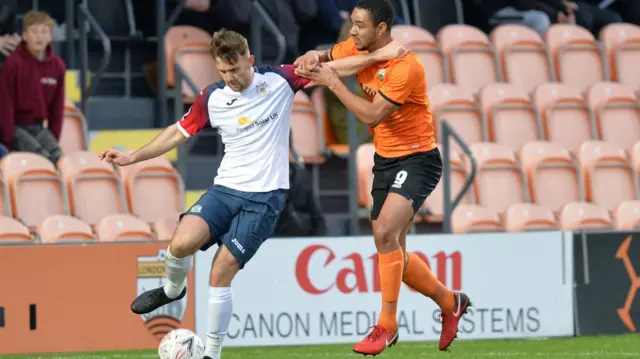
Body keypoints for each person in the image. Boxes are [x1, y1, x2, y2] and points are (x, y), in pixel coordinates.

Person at [100, 28, 406, 359]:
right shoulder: (212, 98)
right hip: (225, 190)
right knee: (179, 244)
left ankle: (212, 353)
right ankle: (174, 288)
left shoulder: (279, 80)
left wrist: (377, 56)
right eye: (223, 71)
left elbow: (331, 70)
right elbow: (176, 133)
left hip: (265, 198)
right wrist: (132, 157)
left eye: (236, 69)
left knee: (220, 271)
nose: (231, 77)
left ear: (250, 60)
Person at [294, 0, 471, 355]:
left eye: (360, 25)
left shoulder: (406, 67)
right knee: (395, 255)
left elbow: (373, 115)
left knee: (384, 232)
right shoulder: (357, 46)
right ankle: (450, 302)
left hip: (418, 158)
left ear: (381, 29)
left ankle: (387, 326)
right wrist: (317, 54)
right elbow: (332, 55)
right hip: (386, 161)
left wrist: (333, 82)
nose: (353, 29)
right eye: (354, 23)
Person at [0, 10, 65, 164]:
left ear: (50, 36)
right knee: (41, 158)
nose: (39, 36)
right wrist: (9, 140)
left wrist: (52, 137)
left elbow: (57, 109)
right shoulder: (12, 64)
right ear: (24, 35)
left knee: (60, 158)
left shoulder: (57, 67)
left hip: (38, 127)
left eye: (44, 32)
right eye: (34, 31)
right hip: (16, 127)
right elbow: (5, 105)